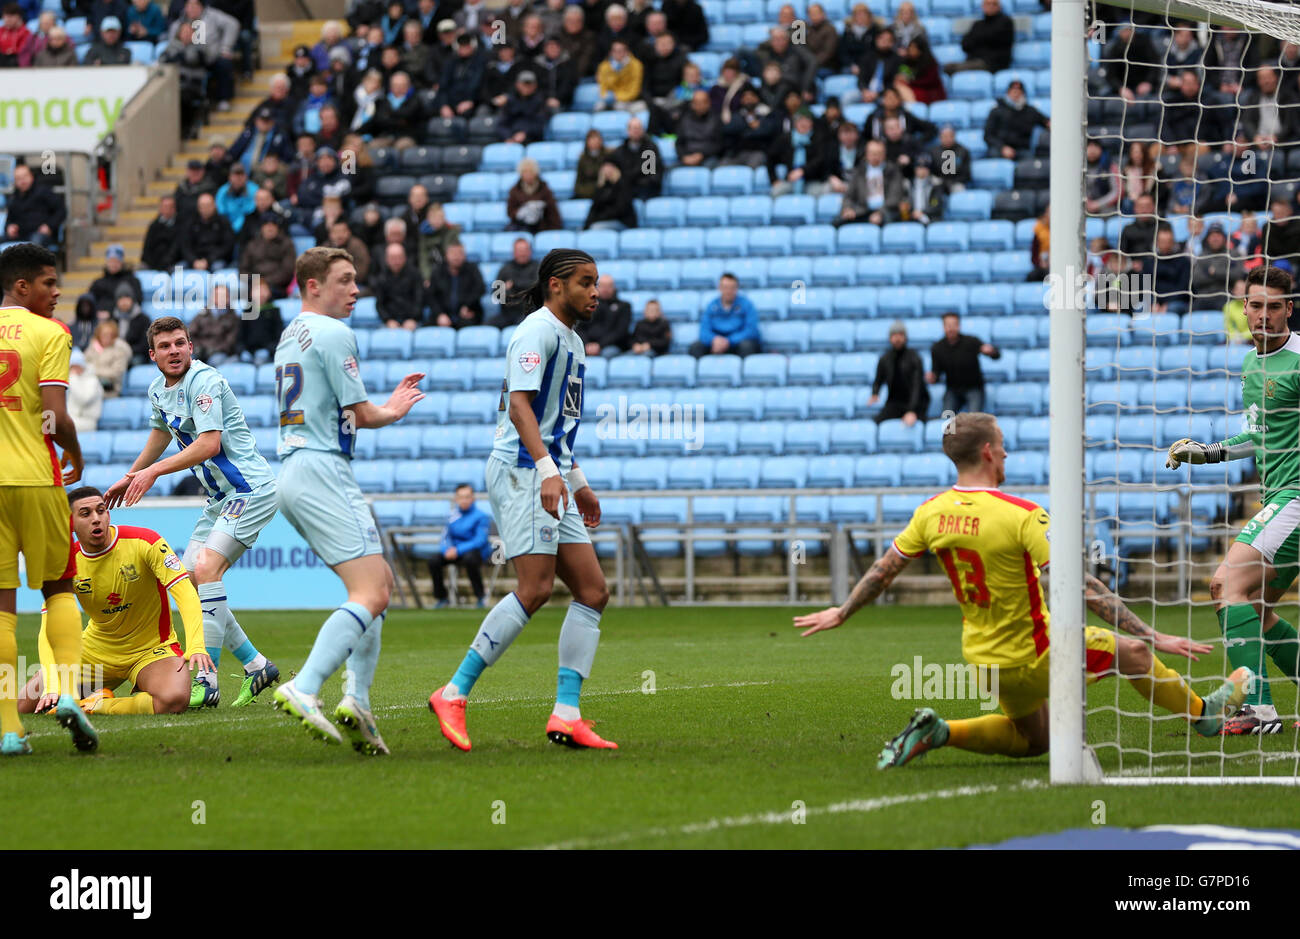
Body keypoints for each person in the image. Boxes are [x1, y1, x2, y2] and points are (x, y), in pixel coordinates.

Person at [794, 412, 1252, 769]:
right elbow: (1081, 586)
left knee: (1036, 741)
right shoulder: (1022, 514)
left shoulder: (930, 513)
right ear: (990, 451)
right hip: (1037, 652)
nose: (1009, 457)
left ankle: (941, 731)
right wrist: (1155, 636)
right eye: (1006, 448)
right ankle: (1203, 716)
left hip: (983, 660)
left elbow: (883, 570)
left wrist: (841, 612)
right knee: (1133, 653)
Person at [429, 248, 617, 752]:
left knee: (593, 591)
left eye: (596, 282)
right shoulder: (535, 331)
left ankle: (567, 713)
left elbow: (556, 425)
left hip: (547, 472)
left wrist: (577, 481)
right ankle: (453, 693)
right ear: (556, 285)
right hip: (520, 470)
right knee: (534, 588)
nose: (595, 291)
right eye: (585, 282)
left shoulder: (574, 342)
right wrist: (548, 471)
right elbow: (519, 410)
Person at [271, 247, 424, 754]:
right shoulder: (335, 333)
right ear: (312, 286)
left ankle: (356, 699)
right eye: (344, 280)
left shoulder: (289, 334)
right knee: (372, 593)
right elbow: (360, 413)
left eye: (355, 279)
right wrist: (394, 409)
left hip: (295, 468)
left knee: (380, 582)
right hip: (321, 466)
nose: (355, 290)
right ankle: (306, 685)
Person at [103, 317, 280, 711]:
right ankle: (256, 664)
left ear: (191, 346)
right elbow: (161, 434)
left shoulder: (205, 382)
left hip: (249, 489)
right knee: (191, 578)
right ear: (152, 355)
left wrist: (152, 472)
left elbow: (209, 445)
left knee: (205, 569)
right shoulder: (157, 390)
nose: (174, 351)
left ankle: (207, 678)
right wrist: (130, 475)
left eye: (180, 343)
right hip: (220, 497)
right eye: (165, 346)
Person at [1166, 265, 1300, 734]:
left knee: (1226, 586)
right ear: (1244, 308)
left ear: (1289, 309)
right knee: (1256, 613)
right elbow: (1257, 434)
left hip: (1296, 498)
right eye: (1256, 305)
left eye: (1274, 307)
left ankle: (1259, 711)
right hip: (1279, 496)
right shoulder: (1251, 363)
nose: (1263, 315)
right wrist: (1207, 453)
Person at [0, 244, 94, 756]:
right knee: (58, 587)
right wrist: (75, 452)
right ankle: (67, 694)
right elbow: (54, 418)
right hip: (37, 480)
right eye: (48, 283)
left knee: (1, 609)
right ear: (21, 287)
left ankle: (9, 731)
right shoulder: (50, 333)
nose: (57, 293)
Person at [20, 488, 211, 716]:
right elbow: (50, 627)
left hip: (151, 649)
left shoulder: (145, 542)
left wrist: (197, 645)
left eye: (101, 510)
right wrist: (52, 685)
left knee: (174, 700)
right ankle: (78, 694)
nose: (96, 518)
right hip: (94, 652)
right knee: (24, 706)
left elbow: (185, 593)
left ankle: (98, 704)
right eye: (85, 513)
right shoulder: (63, 562)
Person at [428, 484, 491, 609]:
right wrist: (446, 550)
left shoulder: (481, 516)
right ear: (456, 499)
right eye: (461, 497)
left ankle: (480, 597)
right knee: (434, 560)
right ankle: (442, 598)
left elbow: (480, 540)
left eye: (467, 497)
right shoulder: (452, 516)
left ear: (472, 498)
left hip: (475, 552)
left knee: (470, 559)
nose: (464, 500)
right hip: (454, 552)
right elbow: (445, 537)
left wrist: (458, 550)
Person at [926, 313, 1000, 415]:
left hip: (974, 388)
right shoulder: (937, 348)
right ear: (943, 327)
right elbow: (937, 373)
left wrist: (991, 351)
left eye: (954, 325)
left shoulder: (971, 341)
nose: (951, 328)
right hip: (952, 390)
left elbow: (996, 356)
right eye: (948, 325)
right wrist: (933, 378)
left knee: (973, 419)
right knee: (947, 418)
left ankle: (971, 432)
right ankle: (950, 432)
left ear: (959, 326)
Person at [869, 321, 928, 425]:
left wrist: (912, 410)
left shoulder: (914, 357)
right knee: (875, 423)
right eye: (894, 335)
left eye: (900, 335)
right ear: (890, 338)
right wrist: (875, 393)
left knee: (918, 424)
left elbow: (917, 386)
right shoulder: (884, 359)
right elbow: (878, 380)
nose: (897, 339)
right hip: (894, 403)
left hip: (916, 403)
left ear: (905, 337)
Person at [691, 273, 760, 359]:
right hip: (716, 344)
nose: (728, 291)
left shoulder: (746, 305)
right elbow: (704, 331)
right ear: (719, 288)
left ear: (736, 289)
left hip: (737, 344)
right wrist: (714, 340)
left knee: (747, 346)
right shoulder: (711, 306)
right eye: (725, 287)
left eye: (732, 288)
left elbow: (751, 331)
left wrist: (729, 341)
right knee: (696, 347)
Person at [983, 79, 1049, 160]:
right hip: (1000, 149)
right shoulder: (997, 110)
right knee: (994, 155)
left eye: (1018, 92)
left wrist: (1049, 123)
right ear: (1008, 93)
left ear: (1023, 94)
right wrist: (1002, 148)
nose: (1015, 94)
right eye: (1013, 91)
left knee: (1031, 162)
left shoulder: (1030, 111)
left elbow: (1045, 122)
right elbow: (988, 135)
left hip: (1022, 150)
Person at [4, 163, 66, 249]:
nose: (22, 181)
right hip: (21, 234)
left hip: (40, 234)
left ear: (31, 176)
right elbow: (10, 219)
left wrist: (49, 226)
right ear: (15, 182)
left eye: (25, 176)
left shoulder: (44, 191)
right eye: (18, 178)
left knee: (35, 244)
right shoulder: (14, 198)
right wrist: (9, 227)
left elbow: (61, 210)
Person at [944, 0, 1013, 74]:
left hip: (993, 64)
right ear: (983, 6)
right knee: (948, 67)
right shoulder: (977, 24)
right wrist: (982, 39)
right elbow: (965, 45)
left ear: (999, 7)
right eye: (987, 4)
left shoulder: (1006, 22)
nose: (991, 6)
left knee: (953, 69)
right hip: (974, 61)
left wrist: (978, 39)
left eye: (994, 4)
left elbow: (994, 39)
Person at [427, 242, 486, 329]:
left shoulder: (472, 270)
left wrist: (467, 305)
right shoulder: (438, 271)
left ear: (464, 256)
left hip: (468, 314)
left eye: (460, 253)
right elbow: (431, 296)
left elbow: (480, 289)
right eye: (453, 253)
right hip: (442, 316)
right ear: (446, 255)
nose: (456, 257)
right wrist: (439, 314)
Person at [374, 243, 427, 330]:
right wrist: (388, 320)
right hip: (390, 322)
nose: (396, 261)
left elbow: (420, 300)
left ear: (405, 258)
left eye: (399, 257)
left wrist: (413, 319)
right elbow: (379, 304)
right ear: (387, 259)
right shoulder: (382, 278)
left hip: (413, 321)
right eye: (393, 258)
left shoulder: (415, 275)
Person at [578, 274, 631, 357]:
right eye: (602, 286)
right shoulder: (587, 306)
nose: (605, 289)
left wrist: (600, 345)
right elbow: (579, 328)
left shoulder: (624, 306)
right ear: (597, 287)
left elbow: (620, 332)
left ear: (614, 288)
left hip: (611, 346)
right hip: (587, 346)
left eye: (609, 286)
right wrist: (587, 344)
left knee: (608, 353)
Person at [491, 237, 539, 328]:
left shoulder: (537, 267)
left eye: (525, 250)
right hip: (507, 313)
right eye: (519, 250)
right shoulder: (505, 269)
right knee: (488, 326)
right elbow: (496, 294)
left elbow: (537, 288)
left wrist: (513, 285)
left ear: (530, 251)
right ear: (514, 252)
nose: (522, 253)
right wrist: (505, 290)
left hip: (529, 313)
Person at [506, 158, 563, 234]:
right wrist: (520, 213)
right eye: (525, 172)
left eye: (530, 171)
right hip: (522, 227)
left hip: (541, 227)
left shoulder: (545, 189)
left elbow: (553, 213)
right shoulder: (515, 190)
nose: (528, 175)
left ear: (535, 173)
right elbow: (510, 211)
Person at [189, 285, 241, 366]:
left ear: (228, 298)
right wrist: (197, 347)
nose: (221, 299)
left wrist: (214, 350)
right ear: (213, 298)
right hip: (200, 350)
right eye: (218, 295)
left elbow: (230, 341)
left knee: (215, 361)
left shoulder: (233, 318)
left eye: (224, 296)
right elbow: (191, 333)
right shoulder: (203, 314)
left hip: (219, 352)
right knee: (188, 360)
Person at [89, 244, 143, 312]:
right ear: (107, 262)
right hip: (99, 318)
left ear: (122, 262)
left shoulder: (132, 281)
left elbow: (137, 301)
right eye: (111, 261)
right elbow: (89, 300)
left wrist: (110, 312)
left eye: (116, 261)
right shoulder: (98, 283)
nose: (113, 264)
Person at [85, 319, 131, 395]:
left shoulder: (119, 350)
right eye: (103, 334)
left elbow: (116, 373)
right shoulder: (92, 348)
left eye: (109, 334)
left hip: (110, 388)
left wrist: (94, 371)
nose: (106, 337)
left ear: (114, 336)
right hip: (91, 385)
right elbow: (84, 365)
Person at [141, 195, 182, 271]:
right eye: (164, 206)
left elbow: (177, 248)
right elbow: (147, 248)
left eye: (170, 206)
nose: (167, 209)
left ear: (174, 208)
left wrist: (167, 262)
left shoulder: (181, 225)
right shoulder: (154, 225)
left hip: (173, 262)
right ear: (160, 208)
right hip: (155, 262)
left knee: (179, 268)